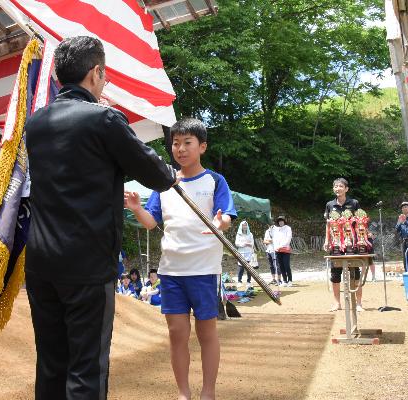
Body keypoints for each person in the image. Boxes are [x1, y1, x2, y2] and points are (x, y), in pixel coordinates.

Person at [24, 36, 177, 400]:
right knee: (86, 367)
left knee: (51, 364)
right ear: (95, 72)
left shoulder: (37, 122)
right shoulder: (104, 118)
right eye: (104, 74)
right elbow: (156, 174)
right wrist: (170, 172)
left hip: (42, 260)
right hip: (87, 262)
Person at [125, 117, 236, 400]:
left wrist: (220, 223)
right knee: (177, 332)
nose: (181, 149)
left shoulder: (215, 181)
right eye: (176, 143)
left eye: (187, 143)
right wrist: (138, 208)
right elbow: (151, 223)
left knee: (206, 331)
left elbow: (225, 218)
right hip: (171, 270)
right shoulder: (165, 185)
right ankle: (183, 393)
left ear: (202, 147)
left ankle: (208, 392)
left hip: (204, 270)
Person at [323, 178, 363, 312]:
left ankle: (358, 304)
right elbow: (328, 224)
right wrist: (327, 240)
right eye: (335, 186)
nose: (337, 188)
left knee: (355, 272)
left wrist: (361, 239)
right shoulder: (329, 204)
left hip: (351, 242)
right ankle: (337, 303)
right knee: (335, 273)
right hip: (335, 243)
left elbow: (360, 222)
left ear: (346, 189)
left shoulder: (354, 203)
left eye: (340, 186)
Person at [396, 201, 408, 272]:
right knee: (405, 260)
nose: (404, 209)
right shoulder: (401, 218)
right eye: (402, 208)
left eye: (405, 207)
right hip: (404, 241)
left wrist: (405, 222)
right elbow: (397, 229)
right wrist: (400, 222)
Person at [273, 216, 293, 287]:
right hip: (278, 250)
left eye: (282, 221)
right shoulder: (277, 229)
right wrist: (275, 247)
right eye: (279, 221)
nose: (280, 222)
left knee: (286, 265)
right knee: (281, 266)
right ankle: (284, 281)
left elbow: (288, 239)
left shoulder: (288, 228)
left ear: (284, 221)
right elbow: (275, 239)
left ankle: (290, 280)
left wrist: (281, 246)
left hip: (285, 250)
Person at [235, 220, 254, 287]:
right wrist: (244, 244)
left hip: (249, 252)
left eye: (245, 225)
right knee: (241, 268)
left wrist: (249, 244)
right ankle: (239, 281)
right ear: (241, 226)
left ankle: (249, 281)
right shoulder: (238, 234)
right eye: (243, 225)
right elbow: (237, 243)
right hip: (241, 253)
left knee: (249, 268)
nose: (244, 227)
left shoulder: (250, 234)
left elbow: (252, 243)